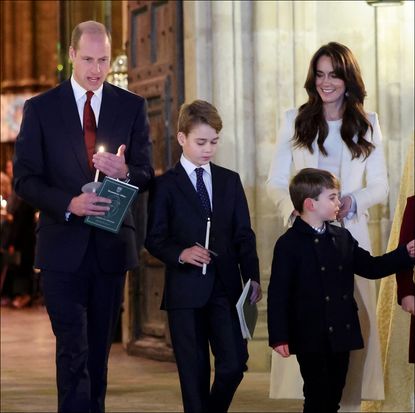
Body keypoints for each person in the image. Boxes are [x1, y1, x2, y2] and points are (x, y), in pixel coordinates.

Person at [13, 21, 153, 413]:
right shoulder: (40, 109)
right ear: (71, 55)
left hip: (110, 247)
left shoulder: (132, 106)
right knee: (72, 349)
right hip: (61, 248)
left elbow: (146, 172)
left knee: (97, 358)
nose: (96, 69)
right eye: (88, 59)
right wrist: (68, 203)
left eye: (104, 60)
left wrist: (124, 173)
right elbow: (24, 179)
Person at [266, 41, 388, 410]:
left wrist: (351, 202)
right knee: (312, 340)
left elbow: (381, 185)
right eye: (319, 74)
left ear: (347, 78)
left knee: (352, 338)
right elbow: (274, 180)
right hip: (305, 239)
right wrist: (296, 214)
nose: (326, 82)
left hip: (349, 238)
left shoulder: (368, 123)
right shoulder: (294, 119)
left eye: (334, 74)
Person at [145, 100, 262, 413]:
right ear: (182, 138)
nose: (209, 149)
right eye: (201, 142)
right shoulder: (164, 186)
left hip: (225, 288)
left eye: (214, 142)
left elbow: (244, 235)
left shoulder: (229, 180)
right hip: (184, 293)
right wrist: (181, 252)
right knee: (193, 376)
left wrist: (253, 278)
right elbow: (154, 239)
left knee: (234, 364)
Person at [267, 167, 415, 413]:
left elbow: (371, 267)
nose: (339, 202)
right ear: (310, 204)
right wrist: (279, 336)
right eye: (332, 197)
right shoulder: (288, 244)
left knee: (335, 393)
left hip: (341, 330)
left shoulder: (342, 237)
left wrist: (404, 254)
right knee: (317, 395)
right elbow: (279, 294)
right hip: (309, 334)